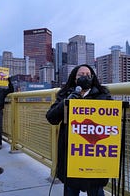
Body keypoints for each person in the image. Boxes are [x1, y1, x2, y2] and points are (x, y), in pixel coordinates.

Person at [46, 64, 112, 196]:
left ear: (92, 78)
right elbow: (51, 118)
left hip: (94, 155)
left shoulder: (103, 95)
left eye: (88, 75)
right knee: (71, 190)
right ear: (75, 79)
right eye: (81, 75)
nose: (85, 77)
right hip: (71, 153)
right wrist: (66, 102)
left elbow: (111, 120)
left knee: (96, 191)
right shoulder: (65, 94)